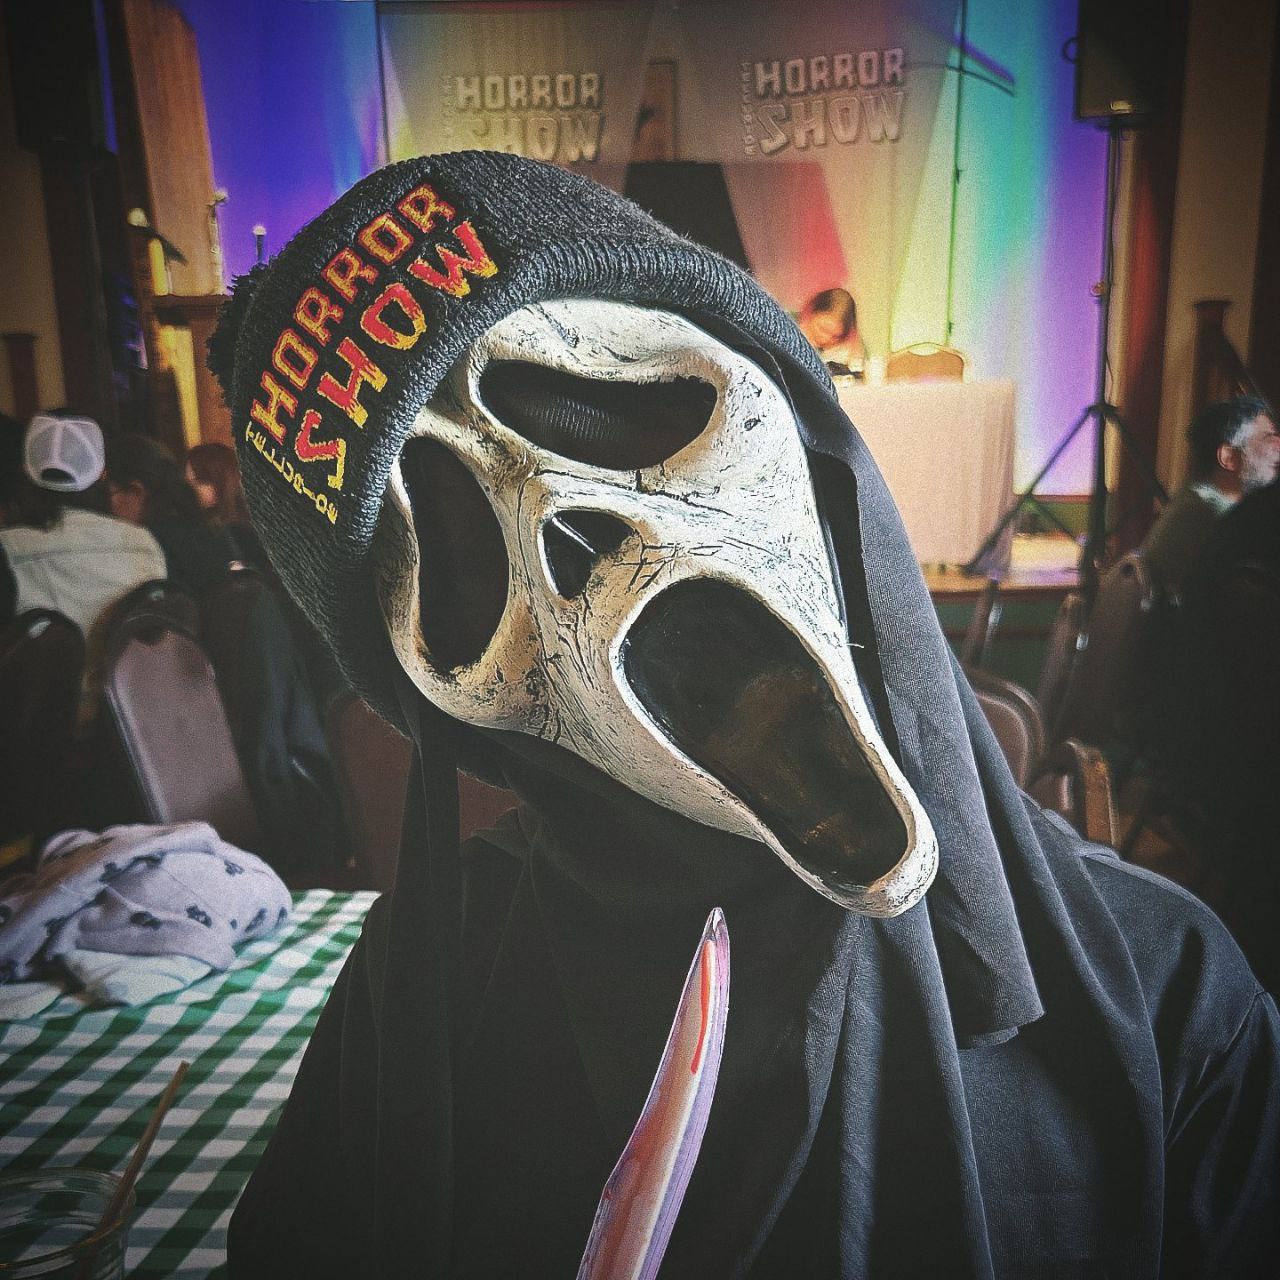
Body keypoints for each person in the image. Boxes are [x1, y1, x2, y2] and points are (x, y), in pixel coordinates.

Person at [210, 153, 1279, 1278]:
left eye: (615, 410)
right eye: (460, 556)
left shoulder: (1167, 992)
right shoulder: (431, 989)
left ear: (797, 422)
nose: (575, 532)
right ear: (444, 704)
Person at [0, 411, 166, 719]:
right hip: (133, 726)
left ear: (25, 474)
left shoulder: (8, 549)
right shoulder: (145, 542)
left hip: (43, 733)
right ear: (102, 475)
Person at [1140, 395, 1280, 601]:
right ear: (1228, 458)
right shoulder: (1213, 513)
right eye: (1268, 438)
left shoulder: (1195, 499)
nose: (1278, 446)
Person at [103, 433, 239, 595]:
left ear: (136, 490)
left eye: (111, 493)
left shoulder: (146, 544)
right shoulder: (214, 530)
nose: (110, 506)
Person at [185, 441, 267, 568]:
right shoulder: (201, 527)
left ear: (220, 480)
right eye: (187, 482)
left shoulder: (237, 533)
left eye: (199, 481)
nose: (190, 489)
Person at [795, 286, 866, 376]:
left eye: (835, 337)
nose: (825, 339)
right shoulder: (788, 326)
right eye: (822, 329)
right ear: (811, 313)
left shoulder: (840, 349)